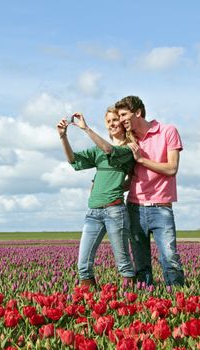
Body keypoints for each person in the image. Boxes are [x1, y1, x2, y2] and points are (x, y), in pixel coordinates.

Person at [57, 107, 136, 288]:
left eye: (115, 120)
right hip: (93, 212)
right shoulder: (97, 151)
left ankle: (133, 299)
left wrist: (86, 128)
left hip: (115, 210)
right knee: (83, 266)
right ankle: (90, 304)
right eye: (108, 122)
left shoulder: (128, 150)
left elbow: (109, 149)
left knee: (123, 263)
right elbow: (73, 161)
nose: (111, 124)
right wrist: (63, 137)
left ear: (123, 124)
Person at [115, 95, 185, 287]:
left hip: (161, 207)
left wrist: (142, 159)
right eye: (119, 116)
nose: (121, 120)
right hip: (135, 207)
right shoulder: (129, 142)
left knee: (169, 258)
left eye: (123, 115)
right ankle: (146, 301)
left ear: (137, 112)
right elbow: (130, 179)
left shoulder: (167, 131)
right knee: (141, 263)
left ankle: (179, 301)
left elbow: (171, 169)